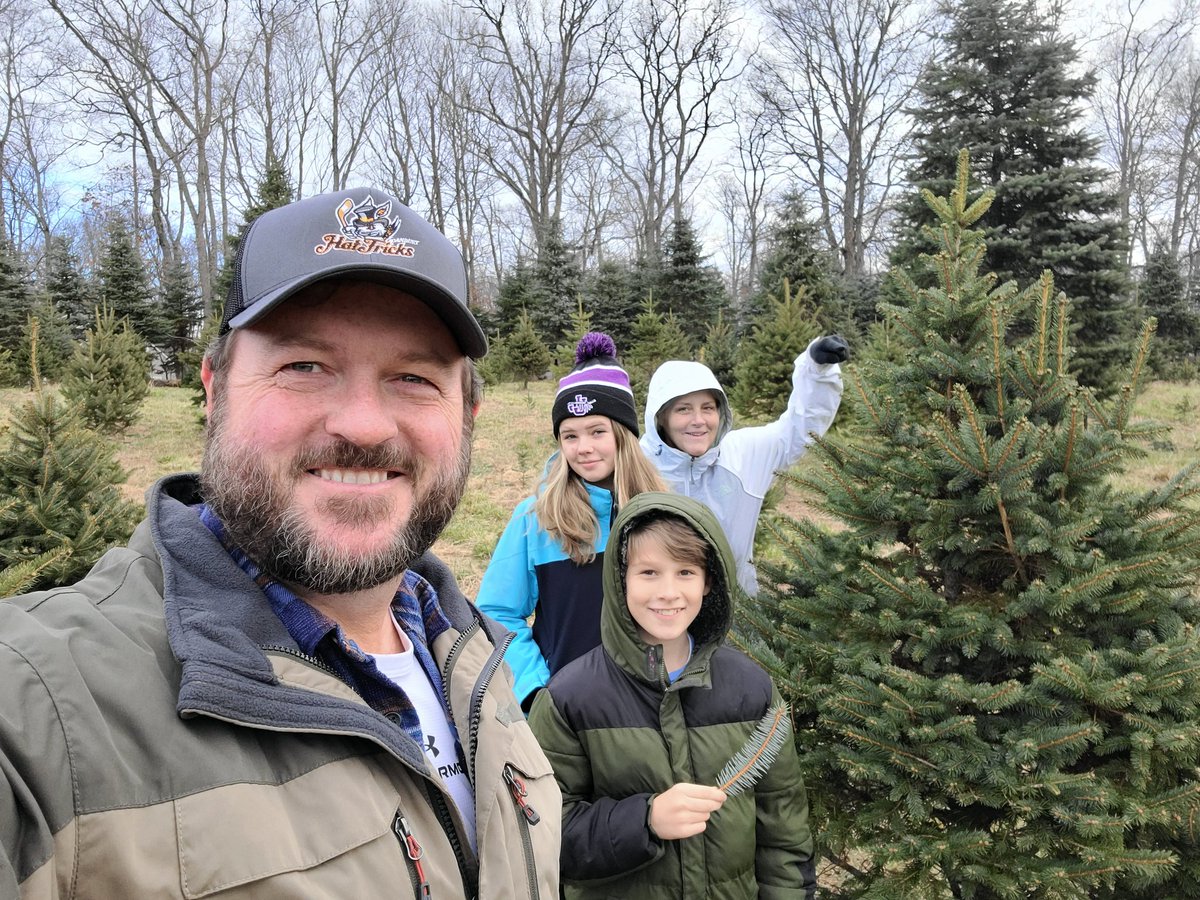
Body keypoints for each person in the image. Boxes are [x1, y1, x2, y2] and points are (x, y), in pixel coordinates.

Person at [0, 188, 560, 898]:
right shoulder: (40, 710)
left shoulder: (477, 661)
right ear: (215, 390)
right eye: (304, 366)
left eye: (413, 378)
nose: (362, 425)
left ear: (468, 415)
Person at [528, 491, 817, 899]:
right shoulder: (570, 699)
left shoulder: (752, 689)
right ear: (620, 578)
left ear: (709, 581)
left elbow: (783, 831)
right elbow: (541, 833)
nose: (668, 592)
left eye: (685, 572)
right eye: (649, 573)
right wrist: (644, 821)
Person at [476, 333, 666, 711]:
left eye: (598, 431)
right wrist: (536, 691)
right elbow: (496, 612)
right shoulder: (536, 519)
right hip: (569, 713)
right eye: (570, 435)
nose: (584, 448)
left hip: (651, 706)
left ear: (623, 435)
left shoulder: (662, 513)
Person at [640, 335, 848, 596]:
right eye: (683, 409)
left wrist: (817, 371)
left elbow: (796, 433)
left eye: (708, 408)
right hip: (658, 617)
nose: (699, 420)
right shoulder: (637, 465)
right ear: (661, 417)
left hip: (737, 623)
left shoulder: (741, 455)